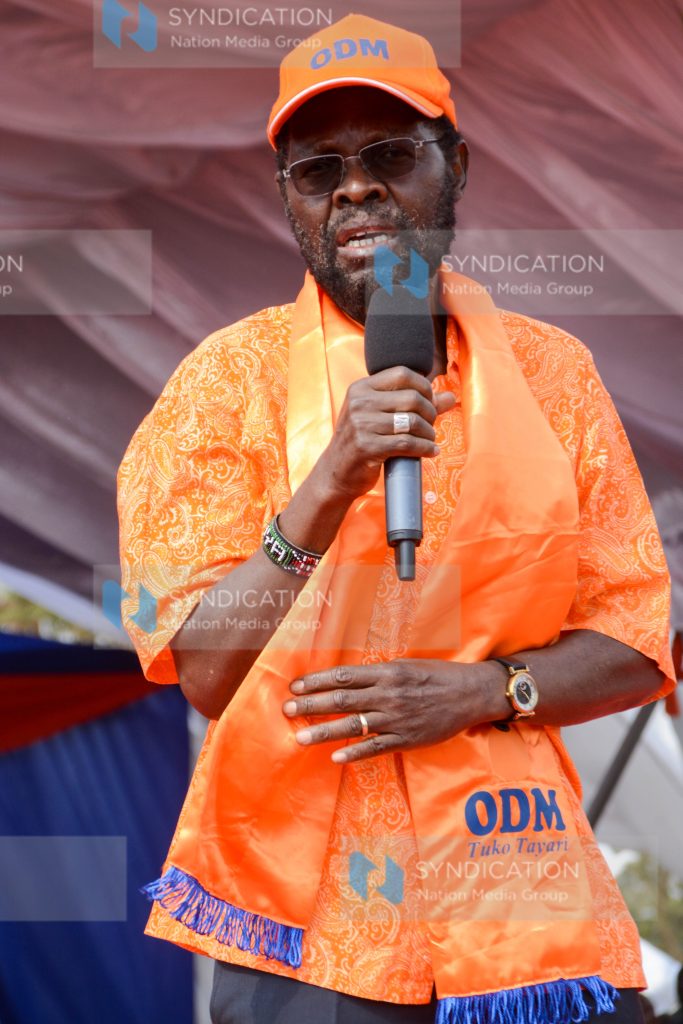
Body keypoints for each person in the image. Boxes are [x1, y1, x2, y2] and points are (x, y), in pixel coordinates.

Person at [117, 14, 675, 1024]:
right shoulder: (219, 385)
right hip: (308, 918)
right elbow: (202, 668)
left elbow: (636, 639)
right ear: (287, 197)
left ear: (452, 163)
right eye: (316, 169)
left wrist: (479, 690)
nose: (355, 188)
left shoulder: (556, 377)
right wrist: (328, 477)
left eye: (387, 154)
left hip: (520, 896)